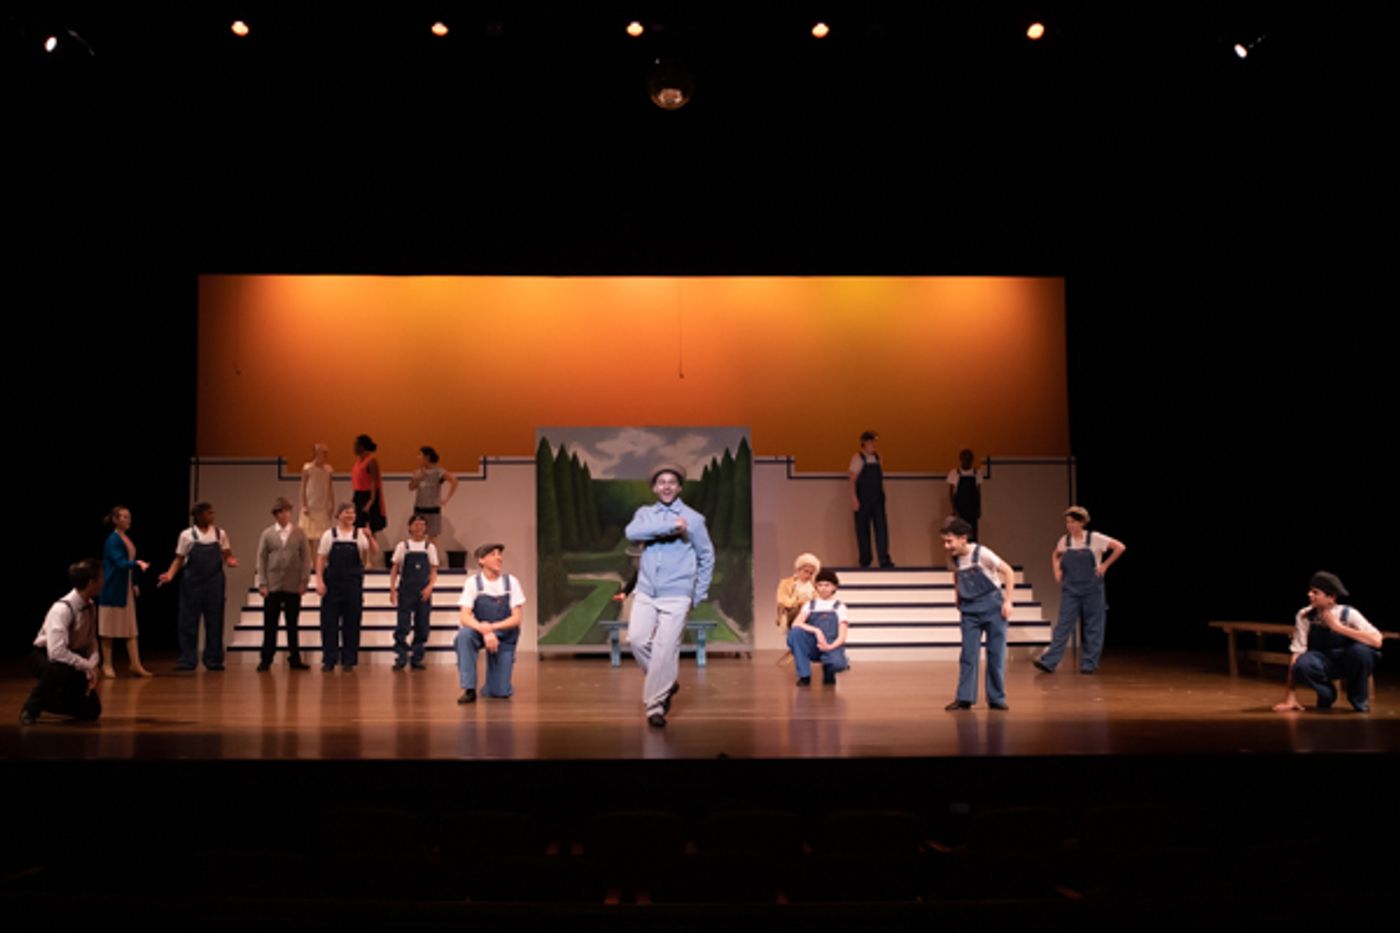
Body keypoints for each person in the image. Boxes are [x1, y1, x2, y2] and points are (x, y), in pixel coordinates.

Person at [624, 464, 715, 727]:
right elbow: (631, 533)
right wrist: (671, 526)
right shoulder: (645, 514)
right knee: (638, 640)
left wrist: (698, 594)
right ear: (654, 487)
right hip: (646, 591)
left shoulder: (694, 519)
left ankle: (655, 706)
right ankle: (666, 682)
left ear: (679, 487)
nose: (666, 486)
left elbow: (706, 556)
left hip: (678, 593)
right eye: (661, 482)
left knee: (666, 649)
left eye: (671, 482)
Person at [1033, 506, 1127, 675]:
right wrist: (1057, 570)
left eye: (1073, 522)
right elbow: (1056, 554)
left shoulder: (1095, 538)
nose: (1070, 525)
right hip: (1071, 588)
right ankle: (1049, 662)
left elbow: (1120, 547)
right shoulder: (1065, 541)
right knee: (1063, 626)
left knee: (1093, 626)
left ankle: (1088, 664)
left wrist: (1105, 565)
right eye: (1068, 522)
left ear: (1082, 522)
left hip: (1092, 588)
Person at [1273, 571, 1383, 713]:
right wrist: (1290, 696)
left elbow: (1377, 641)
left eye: (1315, 592)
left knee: (1362, 652)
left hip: (1348, 660)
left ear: (1331, 597)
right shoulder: (1305, 615)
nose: (1309, 595)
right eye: (1310, 591)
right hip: (1322, 662)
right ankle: (1327, 694)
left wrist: (1338, 627)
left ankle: (1358, 699)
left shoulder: (1348, 613)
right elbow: (1297, 653)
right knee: (1302, 663)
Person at [941, 517, 1016, 711]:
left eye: (950, 541)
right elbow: (957, 575)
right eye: (945, 541)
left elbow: (1008, 571)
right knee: (968, 654)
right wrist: (957, 595)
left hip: (993, 607)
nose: (946, 545)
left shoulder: (982, 553)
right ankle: (964, 698)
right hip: (969, 610)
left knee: (996, 654)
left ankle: (997, 698)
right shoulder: (955, 558)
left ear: (963, 538)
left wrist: (1007, 601)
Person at [21, 559, 104, 724]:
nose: (104, 582)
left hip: (71, 656)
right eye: (101, 578)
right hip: (45, 656)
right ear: (91, 582)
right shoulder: (62, 609)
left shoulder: (91, 605)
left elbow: (91, 639)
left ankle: (47, 701)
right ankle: (31, 708)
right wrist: (86, 665)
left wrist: (93, 663)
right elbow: (56, 652)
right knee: (58, 669)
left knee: (92, 710)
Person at [157, 502, 238, 672]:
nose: (212, 516)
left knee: (215, 621)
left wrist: (230, 561)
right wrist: (170, 574)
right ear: (199, 515)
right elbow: (179, 559)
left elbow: (227, 554)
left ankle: (214, 660)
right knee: (188, 622)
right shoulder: (187, 535)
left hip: (214, 583)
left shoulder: (219, 533)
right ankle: (188, 659)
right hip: (192, 583)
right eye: (209, 513)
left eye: (212, 512)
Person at [454, 542, 524, 702]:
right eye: (493, 554)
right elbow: (464, 617)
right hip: (480, 631)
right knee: (463, 636)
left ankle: (495, 683)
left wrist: (492, 628)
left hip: (505, 634)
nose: (499, 558)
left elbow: (516, 618)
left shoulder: (511, 582)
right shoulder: (473, 583)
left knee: (499, 692)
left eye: (499, 554)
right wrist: (484, 630)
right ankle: (469, 688)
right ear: (481, 560)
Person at [255, 497, 312, 672]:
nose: (284, 514)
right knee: (270, 624)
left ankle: (294, 658)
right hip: (272, 586)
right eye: (280, 512)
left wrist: (304, 581)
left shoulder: (299, 533)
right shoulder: (267, 534)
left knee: (292, 624)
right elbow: (261, 558)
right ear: (275, 515)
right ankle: (266, 659)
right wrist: (263, 583)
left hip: (293, 585)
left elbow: (306, 559)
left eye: (287, 511)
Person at [316, 501, 375, 672]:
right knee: (329, 624)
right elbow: (320, 558)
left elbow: (374, 551)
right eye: (347, 512)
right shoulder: (329, 534)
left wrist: (370, 537)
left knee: (352, 624)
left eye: (352, 513)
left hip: (353, 585)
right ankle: (329, 659)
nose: (350, 516)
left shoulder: (359, 534)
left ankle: (349, 660)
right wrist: (319, 580)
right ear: (339, 515)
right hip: (332, 585)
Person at [98, 504, 153, 678]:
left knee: (130, 627)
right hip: (113, 588)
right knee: (108, 629)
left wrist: (135, 582)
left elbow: (129, 562)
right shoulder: (112, 540)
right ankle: (106, 664)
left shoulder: (126, 538)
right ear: (115, 520)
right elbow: (121, 563)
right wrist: (137, 564)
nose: (128, 519)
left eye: (129, 516)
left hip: (125, 588)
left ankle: (135, 664)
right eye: (124, 517)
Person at [390, 514, 439, 671]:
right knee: (403, 625)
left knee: (422, 625)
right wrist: (392, 589)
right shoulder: (403, 546)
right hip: (406, 590)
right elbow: (395, 568)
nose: (419, 527)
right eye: (416, 524)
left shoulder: (429, 547)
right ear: (410, 527)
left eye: (422, 524)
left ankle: (417, 658)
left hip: (423, 591)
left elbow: (433, 570)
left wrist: (430, 587)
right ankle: (401, 656)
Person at [786, 568, 850, 686]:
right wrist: (816, 630)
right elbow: (796, 623)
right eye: (820, 585)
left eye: (827, 585)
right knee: (795, 633)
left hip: (831, 644)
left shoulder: (839, 606)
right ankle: (804, 675)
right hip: (814, 644)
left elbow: (842, 636)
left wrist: (829, 647)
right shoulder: (810, 605)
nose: (823, 588)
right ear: (816, 586)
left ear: (834, 587)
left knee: (839, 664)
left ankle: (829, 670)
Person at [849, 430, 894, 568]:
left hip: (877, 498)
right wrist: (854, 498)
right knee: (863, 529)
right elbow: (852, 480)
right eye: (871, 442)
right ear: (865, 443)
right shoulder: (858, 458)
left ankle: (884, 559)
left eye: (875, 442)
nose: (874, 445)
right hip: (863, 498)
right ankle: (865, 560)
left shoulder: (878, 457)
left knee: (881, 528)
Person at [408, 446, 459, 546]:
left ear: (427, 457)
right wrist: (417, 478)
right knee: (418, 534)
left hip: (432, 507)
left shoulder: (439, 471)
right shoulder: (418, 472)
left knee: (432, 536)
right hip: (419, 506)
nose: (418, 457)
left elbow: (454, 481)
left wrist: (446, 499)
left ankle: (432, 559)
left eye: (420, 455)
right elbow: (411, 487)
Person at [299, 442, 336, 562]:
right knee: (309, 535)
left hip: (323, 505)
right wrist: (303, 505)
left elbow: (330, 488)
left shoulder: (328, 469)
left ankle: (322, 560)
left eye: (326, 453)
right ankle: (309, 561)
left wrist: (332, 504)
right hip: (310, 504)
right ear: (316, 453)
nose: (325, 455)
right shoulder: (307, 468)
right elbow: (303, 488)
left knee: (323, 535)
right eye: (322, 452)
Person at [351, 434, 387, 543]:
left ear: (362, 446)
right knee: (357, 526)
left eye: (356, 445)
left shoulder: (371, 460)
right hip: (359, 495)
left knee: (370, 528)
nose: (354, 447)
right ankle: (360, 554)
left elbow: (374, 481)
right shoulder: (358, 461)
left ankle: (370, 557)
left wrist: (371, 500)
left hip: (369, 495)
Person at [947, 448, 983, 541]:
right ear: (961, 459)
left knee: (972, 535)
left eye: (969, 459)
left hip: (972, 509)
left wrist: (979, 508)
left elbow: (978, 492)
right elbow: (951, 493)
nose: (966, 461)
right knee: (959, 534)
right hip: (960, 509)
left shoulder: (977, 473)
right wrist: (954, 509)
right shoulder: (954, 473)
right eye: (964, 458)